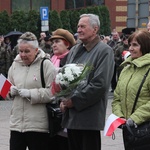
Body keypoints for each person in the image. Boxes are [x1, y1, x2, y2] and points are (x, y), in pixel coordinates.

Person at [59, 14, 114, 150]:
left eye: (82, 26)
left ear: (95, 30)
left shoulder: (104, 51)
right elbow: (65, 77)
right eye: (78, 26)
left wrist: (74, 101)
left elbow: (99, 85)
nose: (78, 30)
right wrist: (63, 98)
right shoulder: (74, 49)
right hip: (71, 116)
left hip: (88, 118)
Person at [8, 32, 56, 150]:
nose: (23, 55)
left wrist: (31, 93)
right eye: (21, 51)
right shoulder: (15, 64)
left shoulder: (46, 64)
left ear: (36, 50)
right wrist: (10, 91)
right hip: (16, 124)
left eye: (27, 51)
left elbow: (53, 92)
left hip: (37, 126)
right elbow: (7, 88)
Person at [112, 30, 150, 150]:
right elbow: (117, 97)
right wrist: (119, 116)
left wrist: (135, 118)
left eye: (135, 45)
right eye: (130, 45)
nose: (131, 49)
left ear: (145, 46)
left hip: (145, 129)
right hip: (129, 129)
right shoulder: (126, 68)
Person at [49, 28, 76, 150]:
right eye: (53, 42)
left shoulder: (72, 60)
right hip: (51, 109)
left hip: (65, 109)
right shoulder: (50, 59)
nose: (54, 45)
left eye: (57, 41)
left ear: (67, 44)